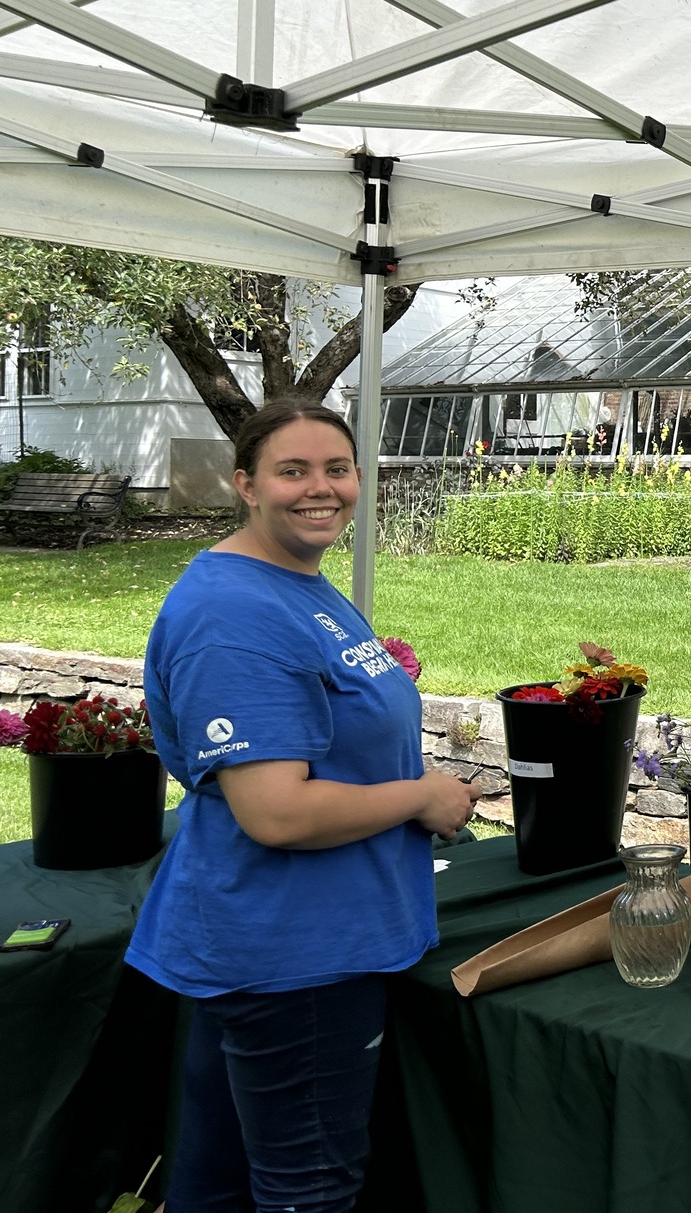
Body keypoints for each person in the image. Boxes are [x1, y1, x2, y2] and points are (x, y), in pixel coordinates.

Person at [126, 400, 474, 1213]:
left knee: (216, 1184)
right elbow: (276, 812)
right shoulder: (235, 615)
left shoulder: (294, 583)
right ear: (245, 485)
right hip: (294, 954)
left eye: (337, 469)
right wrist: (422, 794)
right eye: (293, 471)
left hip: (295, 937)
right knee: (306, 1189)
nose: (322, 489)